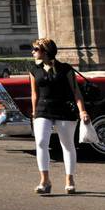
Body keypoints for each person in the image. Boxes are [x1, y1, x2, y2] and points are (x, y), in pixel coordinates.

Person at [28, 37, 89, 196]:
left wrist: (82, 111)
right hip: (43, 109)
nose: (32, 52)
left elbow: (76, 91)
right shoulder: (34, 70)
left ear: (45, 51)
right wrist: (34, 112)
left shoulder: (66, 69)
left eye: (35, 49)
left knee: (67, 145)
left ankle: (69, 180)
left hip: (64, 110)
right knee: (41, 142)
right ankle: (45, 181)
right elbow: (34, 94)